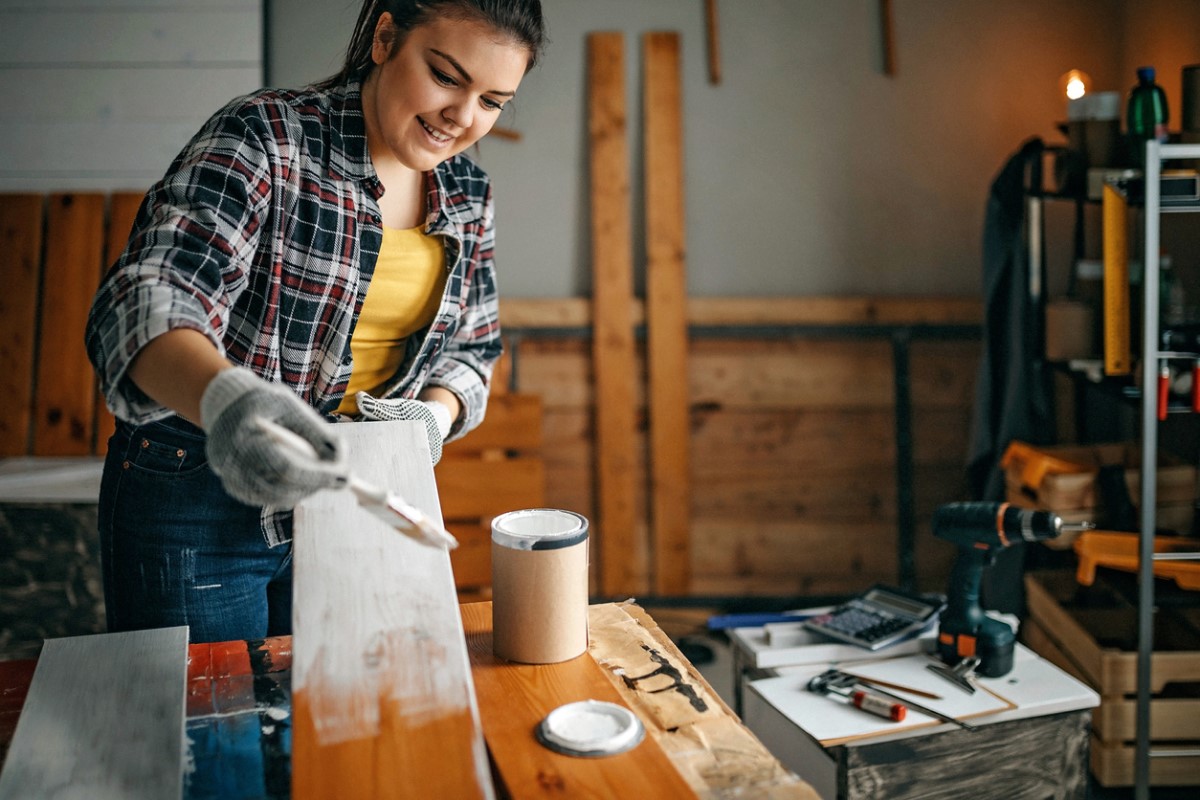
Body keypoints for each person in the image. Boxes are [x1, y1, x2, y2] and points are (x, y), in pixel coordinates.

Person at [84, 0, 546, 644]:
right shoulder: (267, 136)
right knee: (212, 733)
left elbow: (473, 349)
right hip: (197, 491)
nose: (463, 118)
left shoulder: (469, 194)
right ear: (385, 38)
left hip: (353, 500)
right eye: (446, 77)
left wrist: (432, 418)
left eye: (493, 101)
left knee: (333, 726)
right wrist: (227, 402)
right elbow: (145, 299)